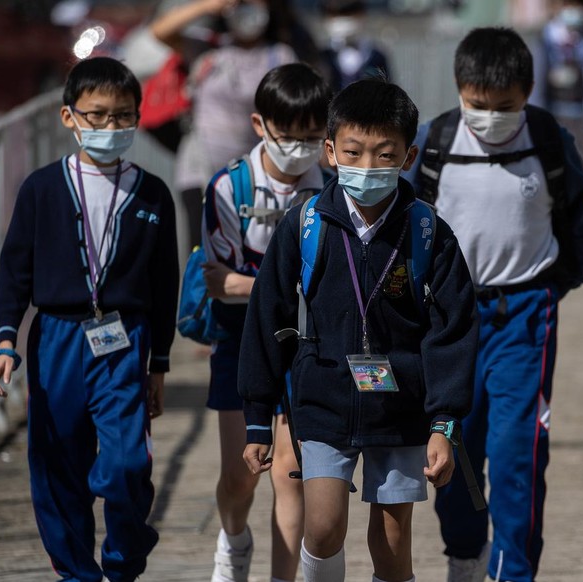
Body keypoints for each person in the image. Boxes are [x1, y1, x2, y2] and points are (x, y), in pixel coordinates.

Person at [239, 78, 480, 582]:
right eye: (353, 151)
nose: (367, 167)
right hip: (322, 398)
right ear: (329, 151)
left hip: (402, 407)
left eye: (384, 153)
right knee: (322, 528)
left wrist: (444, 423)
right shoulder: (305, 223)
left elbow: (452, 332)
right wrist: (259, 418)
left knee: (392, 543)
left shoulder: (428, 232)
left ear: (409, 155)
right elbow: (267, 317)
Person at [405, 27, 583, 582]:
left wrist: (550, 288)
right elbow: (406, 228)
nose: (490, 118)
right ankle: (464, 555)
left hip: (524, 317)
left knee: (517, 451)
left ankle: (513, 570)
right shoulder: (436, 143)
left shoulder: (548, 141)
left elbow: (581, 226)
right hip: (449, 322)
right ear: (458, 90)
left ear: (529, 90)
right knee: (454, 447)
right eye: (477, 106)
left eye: (505, 107)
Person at [0, 57, 179, 582]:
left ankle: (124, 558)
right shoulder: (42, 188)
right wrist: (8, 341)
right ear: (68, 117)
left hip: (124, 339)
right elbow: (15, 272)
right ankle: (78, 574)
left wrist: (158, 361)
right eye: (96, 116)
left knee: (125, 466)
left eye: (122, 116)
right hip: (56, 340)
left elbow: (166, 285)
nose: (109, 128)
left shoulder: (153, 193)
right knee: (57, 467)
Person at [199, 62, 331, 582]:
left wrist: (252, 286)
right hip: (240, 340)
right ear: (260, 126)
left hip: (303, 343)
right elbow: (218, 283)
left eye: (310, 138)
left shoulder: (331, 191)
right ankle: (233, 537)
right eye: (287, 137)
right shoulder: (230, 188)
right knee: (241, 476)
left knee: (289, 473)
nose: (298, 150)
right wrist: (285, 289)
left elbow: (242, 281)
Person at [150, 0, 314, 251]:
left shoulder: (280, 55)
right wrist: (207, 6)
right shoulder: (207, 49)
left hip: (253, 176)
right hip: (200, 170)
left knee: (249, 251)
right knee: (204, 250)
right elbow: (160, 31)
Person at [530, 0, 583, 204]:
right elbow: (535, 89)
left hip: (580, 121)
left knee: (580, 178)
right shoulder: (545, 41)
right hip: (551, 118)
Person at [319, 0, 391, 91]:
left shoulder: (376, 56)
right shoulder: (322, 57)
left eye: (348, 14)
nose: (343, 21)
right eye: (335, 15)